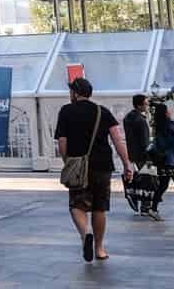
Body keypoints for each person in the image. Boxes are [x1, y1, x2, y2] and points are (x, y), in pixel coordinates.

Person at [54, 76, 134, 262]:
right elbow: (117, 139)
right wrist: (127, 164)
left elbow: (62, 141)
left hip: (78, 165)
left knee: (77, 204)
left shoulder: (66, 111)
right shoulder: (102, 111)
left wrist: (68, 162)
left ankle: (85, 233)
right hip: (102, 165)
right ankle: (99, 249)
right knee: (99, 207)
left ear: (74, 92)